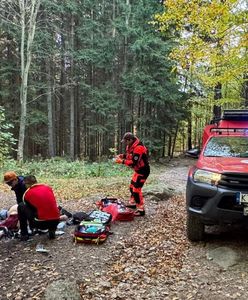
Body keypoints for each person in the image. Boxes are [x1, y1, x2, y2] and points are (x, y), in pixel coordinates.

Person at [114, 132, 150, 216]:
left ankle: (141, 210)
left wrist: (121, 161)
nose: (125, 143)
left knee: (136, 190)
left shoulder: (139, 148)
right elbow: (130, 155)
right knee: (131, 187)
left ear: (130, 140)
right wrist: (122, 156)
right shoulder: (131, 146)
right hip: (138, 171)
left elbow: (133, 162)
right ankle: (133, 203)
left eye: (126, 141)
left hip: (143, 171)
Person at [18, 175, 60, 241]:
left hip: (42, 223)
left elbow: (30, 208)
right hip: (56, 220)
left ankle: (24, 234)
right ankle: (52, 230)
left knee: (21, 206)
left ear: (27, 184)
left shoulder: (27, 193)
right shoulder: (47, 187)